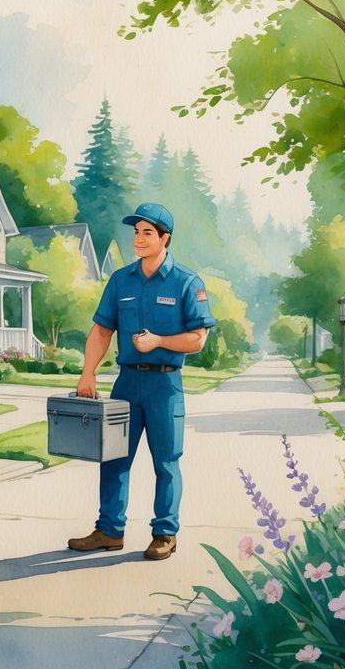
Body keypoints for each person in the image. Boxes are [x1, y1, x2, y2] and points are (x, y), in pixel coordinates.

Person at [66, 202, 216, 561]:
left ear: (165, 238)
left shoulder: (187, 282)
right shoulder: (121, 281)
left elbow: (198, 340)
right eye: (136, 232)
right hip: (126, 384)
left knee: (166, 461)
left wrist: (159, 341)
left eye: (147, 232)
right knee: (113, 459)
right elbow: (102, 330)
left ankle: (165, 533)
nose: (138, 238)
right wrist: (88, 372)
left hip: (165, 387)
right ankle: (109, 531)